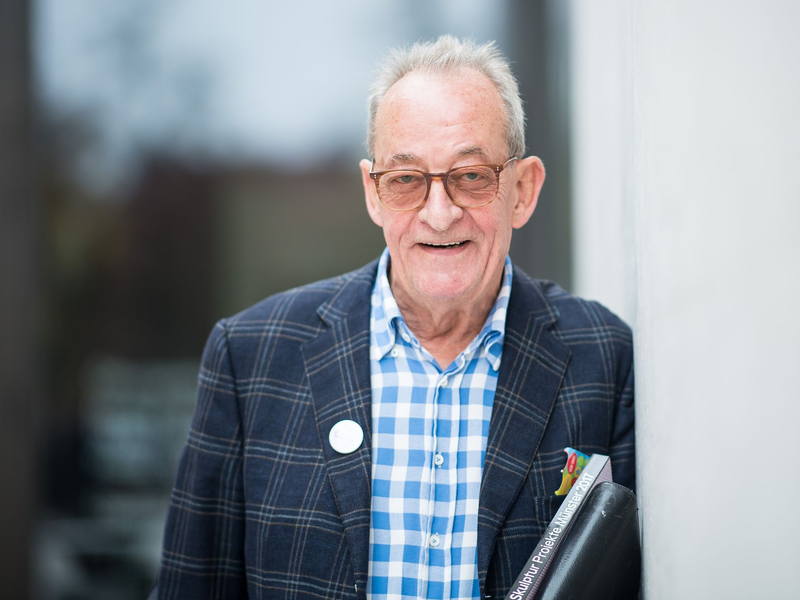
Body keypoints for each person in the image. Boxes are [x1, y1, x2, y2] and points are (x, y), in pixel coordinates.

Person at [149, 35, 634, 600]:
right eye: (406, 180)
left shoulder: (603, 357)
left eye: (472, 175)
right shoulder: (251, 357)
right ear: (373, 193)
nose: (439, 212)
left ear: (522, 191)